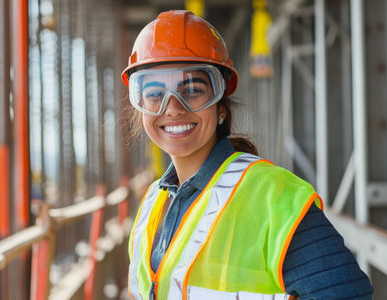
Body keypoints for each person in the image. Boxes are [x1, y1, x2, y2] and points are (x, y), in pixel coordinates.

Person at [121, 10, 373, 300]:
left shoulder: (273, 198)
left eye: (192, 90)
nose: (173, 107)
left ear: (221, 108)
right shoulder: (153, 204)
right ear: (140, 111)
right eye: (154, 93)